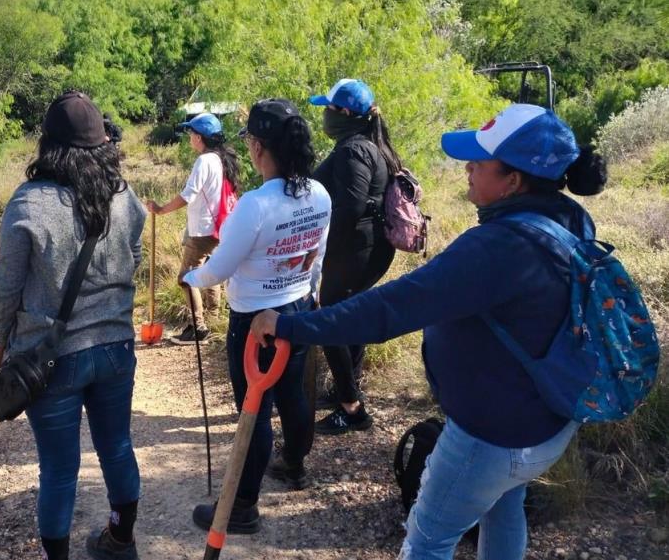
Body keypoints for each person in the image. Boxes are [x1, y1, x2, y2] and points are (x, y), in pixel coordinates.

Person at [249, 104, 608, 559]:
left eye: (479, 162)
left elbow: (391, 309)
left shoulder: (498, 248)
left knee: (427, 539)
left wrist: (290, 324)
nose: (468, 169)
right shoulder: (570, 219)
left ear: (513, 181)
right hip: (547, 423)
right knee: (503, 506)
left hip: (492, 436)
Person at [0, 91, 147, 560]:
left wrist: (1, 338)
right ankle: (121, 540)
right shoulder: (123, 193)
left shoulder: (29, 203)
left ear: (48, 145)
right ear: (102, 143)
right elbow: (134, 258)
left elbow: (7, 286)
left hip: (49, 357)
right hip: (116, 345)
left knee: (59, 468)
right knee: (117, 446)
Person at [186, 98, 331, 530]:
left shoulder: (255, 204)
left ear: (258, 146)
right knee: (292, 394)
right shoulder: (320, 193)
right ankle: (294, 464)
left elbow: (220, 269)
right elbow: (317, 254)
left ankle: (243, 506)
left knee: (254, 408)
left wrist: (193, 278)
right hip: (298, 308)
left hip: (254, 322)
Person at [307, 78, 403, 434]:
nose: (326, 116)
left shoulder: (353, 150)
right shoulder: (366, 144)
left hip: (355, 251)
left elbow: (349, 207)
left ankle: (351, 407)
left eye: (329, 109)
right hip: (367, 250)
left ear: (344, 113)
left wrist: (319, 250)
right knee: (351, 318)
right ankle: (347, 389)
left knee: (330, 319)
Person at [146, 112, 240, 344]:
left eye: (191, 134)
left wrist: (161, 209)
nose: (189, 138)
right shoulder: (221, 159)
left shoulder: (205, 161)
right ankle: (213, 320)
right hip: (219, 228)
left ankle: (198, 328)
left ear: (199, 138)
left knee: (185, 278)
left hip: (202, 232)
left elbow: (188, 195)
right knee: (211, 274)